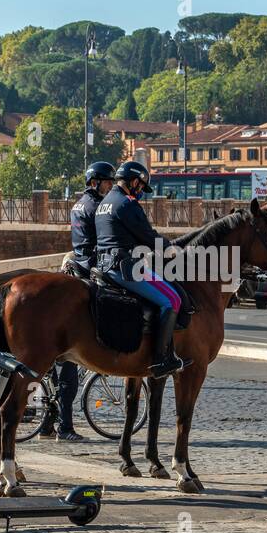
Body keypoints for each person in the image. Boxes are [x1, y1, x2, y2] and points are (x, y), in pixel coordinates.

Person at [94, 161, 190, 378]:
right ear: (134, 181)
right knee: (172, 300)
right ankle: (160, 359)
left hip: (104, 266)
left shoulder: (105, 202)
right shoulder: (127, 204)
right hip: (125, 268)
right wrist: (170, 248)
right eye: (140, 187)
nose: (140, 192)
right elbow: (148, 236)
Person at [41, 161, 116, 441]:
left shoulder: (79, 204)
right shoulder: (97, 208)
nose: (110, 187)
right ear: (95, 182)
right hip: (91, 264)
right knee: (67, 375)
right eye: (107, 183)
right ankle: (66, 427)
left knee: (57, 374)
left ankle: (50, 423)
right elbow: (106, 239)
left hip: (77, 261)